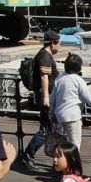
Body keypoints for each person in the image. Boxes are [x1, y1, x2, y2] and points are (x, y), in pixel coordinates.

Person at [15, 31, 62, 170]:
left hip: (45, 96)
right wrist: (47, 97)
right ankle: (28, 155)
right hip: (46, 97)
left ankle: (54, 159)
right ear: (53, 43)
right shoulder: (45, 57)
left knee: (51, 128)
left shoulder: (44, 55)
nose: (60, 46)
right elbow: (44, 77)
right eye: (59, 43)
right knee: (47, 129)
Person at [50, 52, 91, 152]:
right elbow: (88, 97)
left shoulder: (59, 79)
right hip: (73, 116)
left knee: (60, 144)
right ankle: (73, 166)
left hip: (59, 115)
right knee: (74, 144)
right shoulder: (78, 80)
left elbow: (53, 98)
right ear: (79, 68)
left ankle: (59, 164)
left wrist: (51, 112)